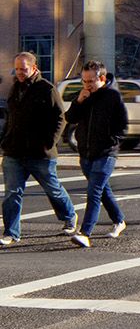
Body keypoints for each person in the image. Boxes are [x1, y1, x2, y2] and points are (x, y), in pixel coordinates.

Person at [1, 51, 77, 245]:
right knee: (12, 192)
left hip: (40, 153)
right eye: (16, 69)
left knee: (53, 189)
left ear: (34, 68)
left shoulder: (46, 89)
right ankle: (11, 233)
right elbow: (11, 118)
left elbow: (60, 118)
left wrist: (49, 142)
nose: (19, 73)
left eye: (23, 69)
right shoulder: (14, 89)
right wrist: (5, 140)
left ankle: (69, 216)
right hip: (14, 151)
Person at [64, 61, 128, 246]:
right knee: (103, 190)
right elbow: (70, 118)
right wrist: (79, 101)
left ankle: (85, 233)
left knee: (94, 191)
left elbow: (122, 124)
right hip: (86, 152)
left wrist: (112, 140)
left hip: (106, 152)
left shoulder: (112, 96)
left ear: (101, 78)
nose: (87, 85)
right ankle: (119, 220)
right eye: (84, 81)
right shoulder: (84, 95)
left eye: (90, 81)